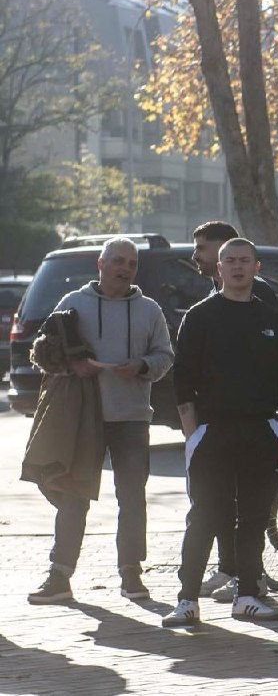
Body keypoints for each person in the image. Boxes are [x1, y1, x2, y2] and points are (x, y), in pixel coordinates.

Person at [27, 238, 174, 605]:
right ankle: (59, 576)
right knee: (74, 496)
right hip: (82, 419)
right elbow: (41, 351)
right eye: (118, 261)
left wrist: (141, 366)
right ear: (101, 264)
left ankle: (131, 574)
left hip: (132, 418)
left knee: (132, 498)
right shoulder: (73, 303)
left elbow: (165, 356)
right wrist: (70, 365)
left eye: (132, 264)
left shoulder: (149, 310)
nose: (125, 269)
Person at [163, 238, 278, 627]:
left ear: (257, 268)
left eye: (244, 261)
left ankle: (248, 594)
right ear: (218, 269)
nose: (237, 267)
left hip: (261, 431)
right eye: (229, 261)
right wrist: (193, 434)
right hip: (213, 432)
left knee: (254, 518)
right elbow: (182, 378)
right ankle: (187, 599)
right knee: (205, 515)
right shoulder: (201, 316)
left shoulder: (271, 318)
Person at [190, 219, 278, 601]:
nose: (196, 256)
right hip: (216, 424)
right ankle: (227, 569)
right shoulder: (207, 304)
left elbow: (277, 363)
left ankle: (247, 577)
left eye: (202, 248)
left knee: (250, 507)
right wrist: (192, 428)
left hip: (254, 422)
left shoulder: (259, 299)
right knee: (216, 503)